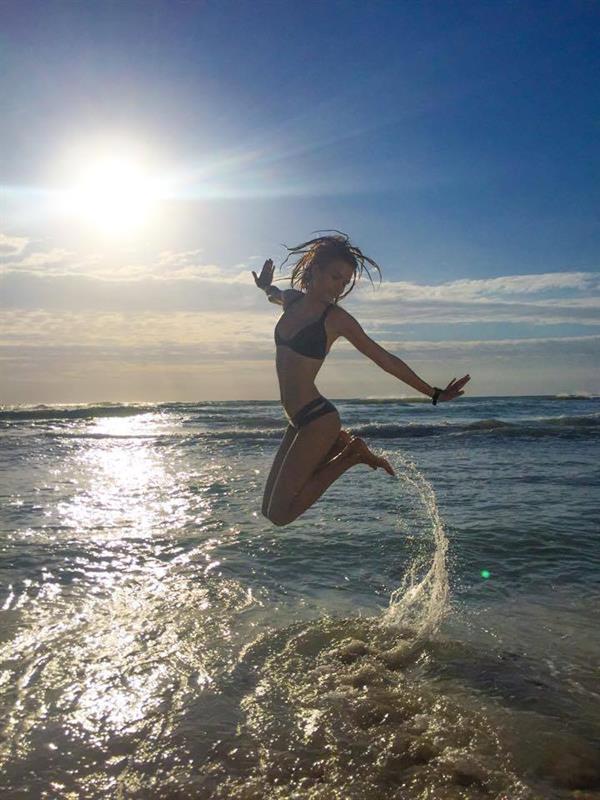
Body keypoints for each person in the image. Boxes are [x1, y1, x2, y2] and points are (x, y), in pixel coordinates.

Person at [252, 230, 470, 527]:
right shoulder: (291, 301)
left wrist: (433, 393)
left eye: (344, 282)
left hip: (318, 418)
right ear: (314, 271)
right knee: (267, 510)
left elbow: (385, 359)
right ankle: (348, 451)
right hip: (298, 420)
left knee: (280, 515)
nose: (339, 287)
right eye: (335, 277)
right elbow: (273, 295)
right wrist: (265, 286)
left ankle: (351, 455)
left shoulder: (336, 319)